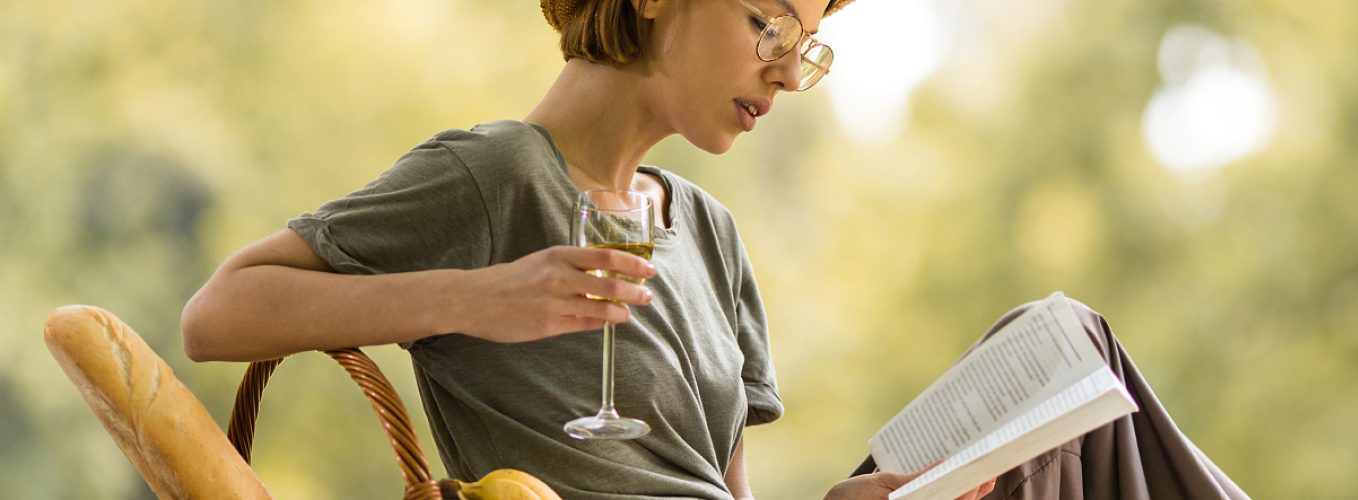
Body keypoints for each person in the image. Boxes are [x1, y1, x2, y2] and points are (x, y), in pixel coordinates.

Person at [182, 0, 1241, 498]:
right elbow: (218, 313)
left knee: (1066, 354)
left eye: (807, 46)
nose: (787, 73)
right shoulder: (495, 176)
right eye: (768, 23)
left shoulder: (711, 233)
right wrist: (475, 296)